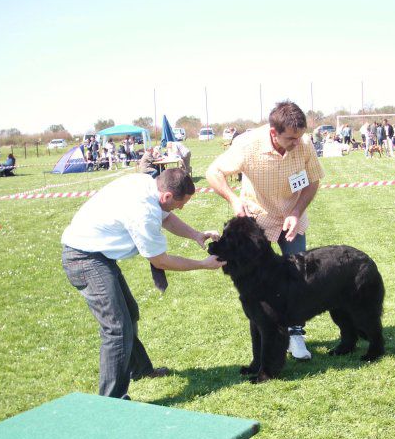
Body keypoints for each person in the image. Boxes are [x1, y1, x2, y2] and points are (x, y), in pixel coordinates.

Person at [61, 168, 224, 399]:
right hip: (84, 259)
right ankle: (112, 401)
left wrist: (195, 234)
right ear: (166, 196)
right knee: (116, 328)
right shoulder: (143, 211)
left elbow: (166, 216)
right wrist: (203, 264)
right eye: (181, 203)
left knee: (129, 313)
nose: (182, 208)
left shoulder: (147, 184)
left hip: (98, 255)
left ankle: (140, 369)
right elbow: (160, 260)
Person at [206, 100, 325, 360]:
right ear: (274, 132)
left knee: (297, 279)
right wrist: (233, 200)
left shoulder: (303, 144)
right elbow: (212, 172)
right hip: (258, 222)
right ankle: (264, 331)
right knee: (259, 283)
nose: (297, 143)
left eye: (300, 136)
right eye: (291, 138)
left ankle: (296, 336)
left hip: (292, 219)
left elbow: (313, 181)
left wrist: (296, 212)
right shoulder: (247, 145)